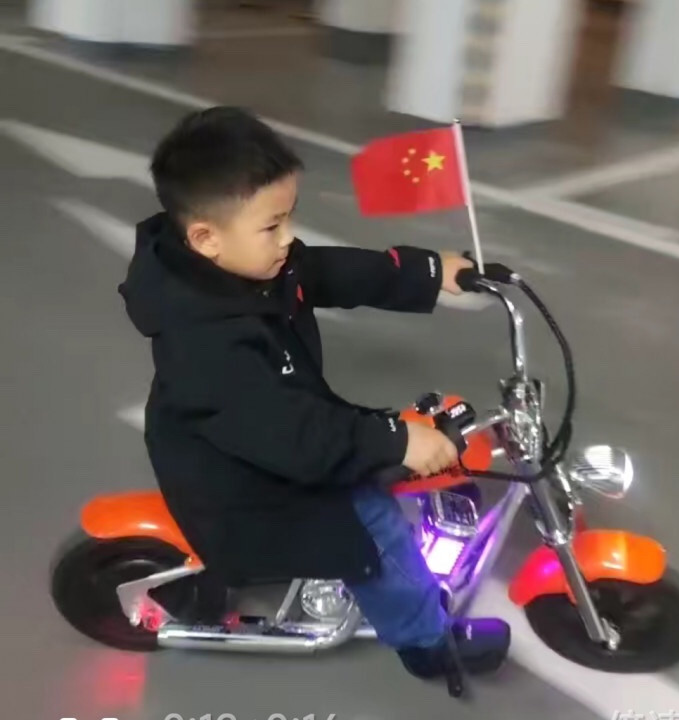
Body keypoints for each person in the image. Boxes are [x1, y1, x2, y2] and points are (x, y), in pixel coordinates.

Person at [118, 106, 510, 681]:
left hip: (268, 425)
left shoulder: (242, 266)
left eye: (289, 217)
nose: (289, 239)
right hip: (244, 477)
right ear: (205, 238)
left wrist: (429, 273)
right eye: (272, 226)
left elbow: (325, 271)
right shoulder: (205, 346)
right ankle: (427, 641)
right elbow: (295, 437)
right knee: (374, 524)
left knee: (381, 444)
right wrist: (396, 440)